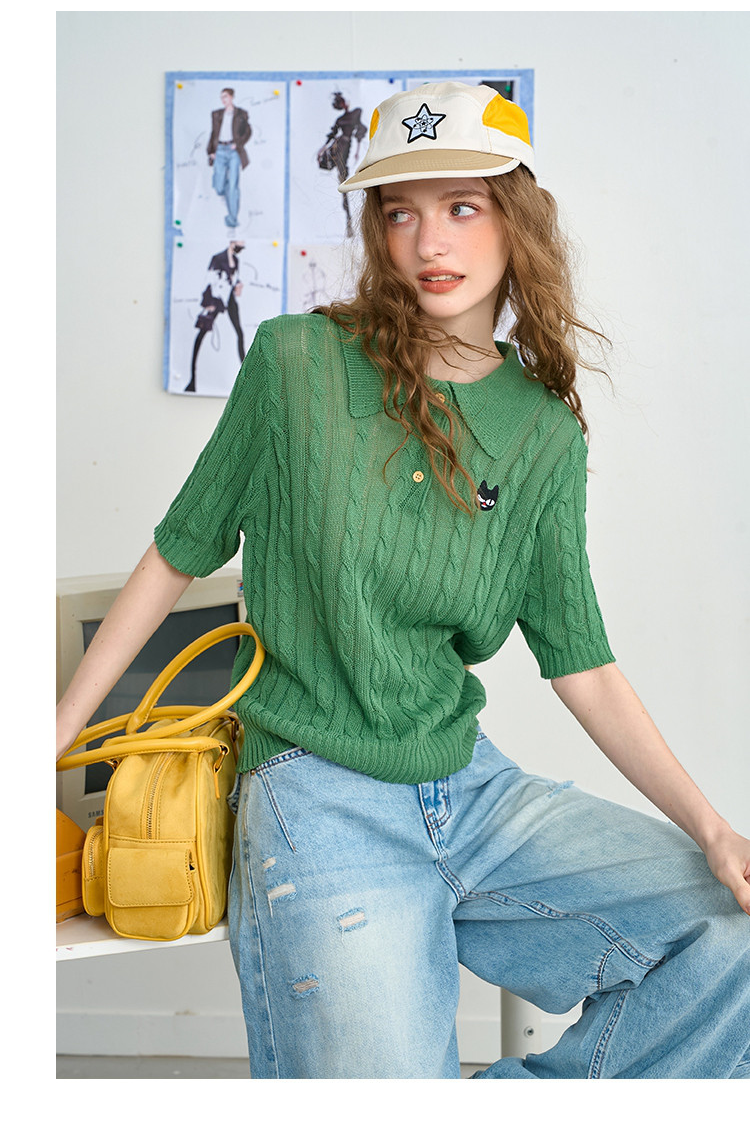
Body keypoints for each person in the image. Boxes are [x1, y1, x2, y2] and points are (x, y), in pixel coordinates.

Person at [56, 81, 750, 1080]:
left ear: (517, 221)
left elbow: (583, 663)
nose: (430, 241)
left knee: (732, 932)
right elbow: (180, 549)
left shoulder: (543, 433)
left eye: (462, 206)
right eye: (399, 212)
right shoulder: (296, 364)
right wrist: (56, 733)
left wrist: (714, 829)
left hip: (471, 785)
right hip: (315, 790)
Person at [184, 241, 246, 393]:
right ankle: (192, 379)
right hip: (217, 298)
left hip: (229, 299)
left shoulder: (236, 260)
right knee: (202, 334)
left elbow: (234, 279)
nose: (241, 246)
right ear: (232, 242)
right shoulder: (218, 258)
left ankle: (248, 377)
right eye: (240, 243)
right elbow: (209, 280)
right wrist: (208, 302)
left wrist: (238, 286)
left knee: (239, 333)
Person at [317, 90, 367, 237]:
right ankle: (348, 221)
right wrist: (322, 149)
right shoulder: (340, 120)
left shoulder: (356, 112)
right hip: (339, 146)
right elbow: (332, 134)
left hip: (346, 146)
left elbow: (360, 128)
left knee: (344, 175)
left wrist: (358, 147)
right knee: (342, 176)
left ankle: (349, 220)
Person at [207, 88, 252, 229]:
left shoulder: (241, 114)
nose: (223, 99)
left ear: (231, 97)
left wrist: (238, 144)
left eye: (225, 96)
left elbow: (248, 131)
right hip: (219, 151)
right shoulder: (216, 114)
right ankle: (226, 190)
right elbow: (214, 133)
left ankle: (232, 219)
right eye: (221, 97)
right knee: (219, 187)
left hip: (233, 152)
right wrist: (211, 151)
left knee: (233, 186)